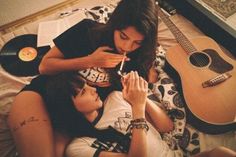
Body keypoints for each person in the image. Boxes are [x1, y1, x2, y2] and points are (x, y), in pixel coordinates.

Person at [7, 0, 159, 157]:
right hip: (41, 95)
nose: (127, 47)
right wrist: (90, 61)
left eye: (137, 42)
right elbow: (44, 66)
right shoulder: (87, 30)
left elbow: (142, 102)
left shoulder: (136, 62)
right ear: (114, 25)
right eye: (123, 36)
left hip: (74, 118)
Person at [44, 71, 236, 157]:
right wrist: (137, 109)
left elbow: (167, 126)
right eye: (83, 91)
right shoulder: (79, 147)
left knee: (221, 153)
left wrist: (142, 98)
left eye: (87, 84)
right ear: (67, 107)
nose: (92, 88)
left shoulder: (116, 97)